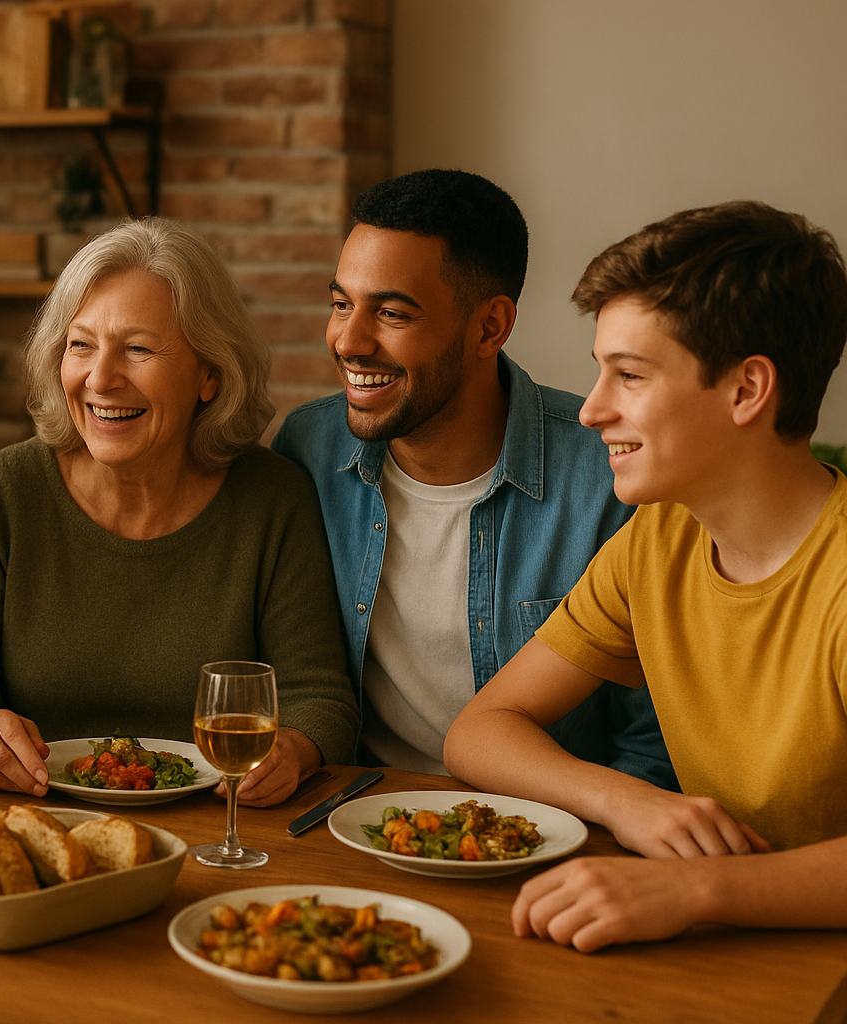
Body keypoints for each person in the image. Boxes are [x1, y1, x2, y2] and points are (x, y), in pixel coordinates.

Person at [444, 200, 847, 951]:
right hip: (727, 954)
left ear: (746, 390)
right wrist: (626, 801)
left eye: (629, 375)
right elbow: (480, 732)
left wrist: (694, 888)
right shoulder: (657, 542)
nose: (592, 410)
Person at [0, 218, 358, 808]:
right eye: (81, 345)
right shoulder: (8, 490)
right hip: (35, 814)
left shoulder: (273, 498)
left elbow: (320, 697)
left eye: (138, 349)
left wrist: (293, 748)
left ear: (210, 374)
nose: (101, 378)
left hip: (223, 829)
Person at [272, 169, 673, 787]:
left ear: (490, 326)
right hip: (353, 814)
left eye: (392, 313)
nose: (348, 341)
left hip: (556, 833)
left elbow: (654, 740)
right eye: (341, 304)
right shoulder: (308, 448)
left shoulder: (609, 476)